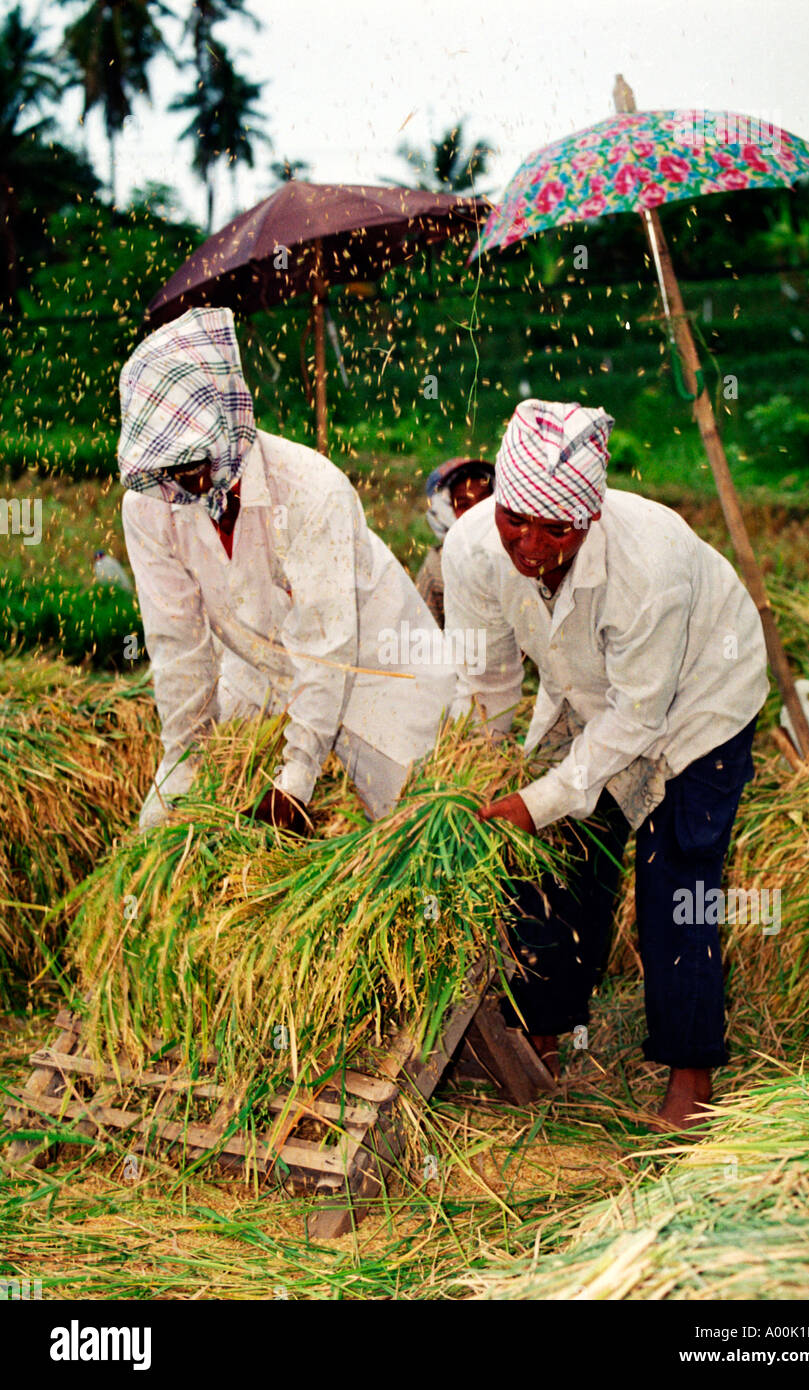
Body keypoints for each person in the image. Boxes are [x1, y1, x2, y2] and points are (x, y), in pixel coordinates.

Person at [442, 399, 769, 1128]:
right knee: (549, 864)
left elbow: (640, 718)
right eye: (513, 521)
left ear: (588, 519)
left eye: (554, 530)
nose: (529, 545)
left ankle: (691, 1077)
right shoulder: (469, 550)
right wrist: (491, 774)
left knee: (675, 880)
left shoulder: (647, 564)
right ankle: (542, 1037)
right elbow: (486, 677)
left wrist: (541, 796)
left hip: (695, 704)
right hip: (590, 695)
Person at [118, 306, 454, 832]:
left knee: (410, 836)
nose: (184, 480)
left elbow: (327, 648)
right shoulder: (151, 506)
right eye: (167, 467)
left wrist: (295, 777)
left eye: (194, 463)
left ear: (226, 426)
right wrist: (185, 759)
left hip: (382, 676)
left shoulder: (307, 487)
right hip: (269, 673)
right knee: (165, 823)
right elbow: (176, 643)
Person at [415, 457, 495, 626]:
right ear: (444, 512)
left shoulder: (519, 551)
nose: (477, 511)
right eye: (464, 504)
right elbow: (424, 641)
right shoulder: (435, 572)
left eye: (484, 499)